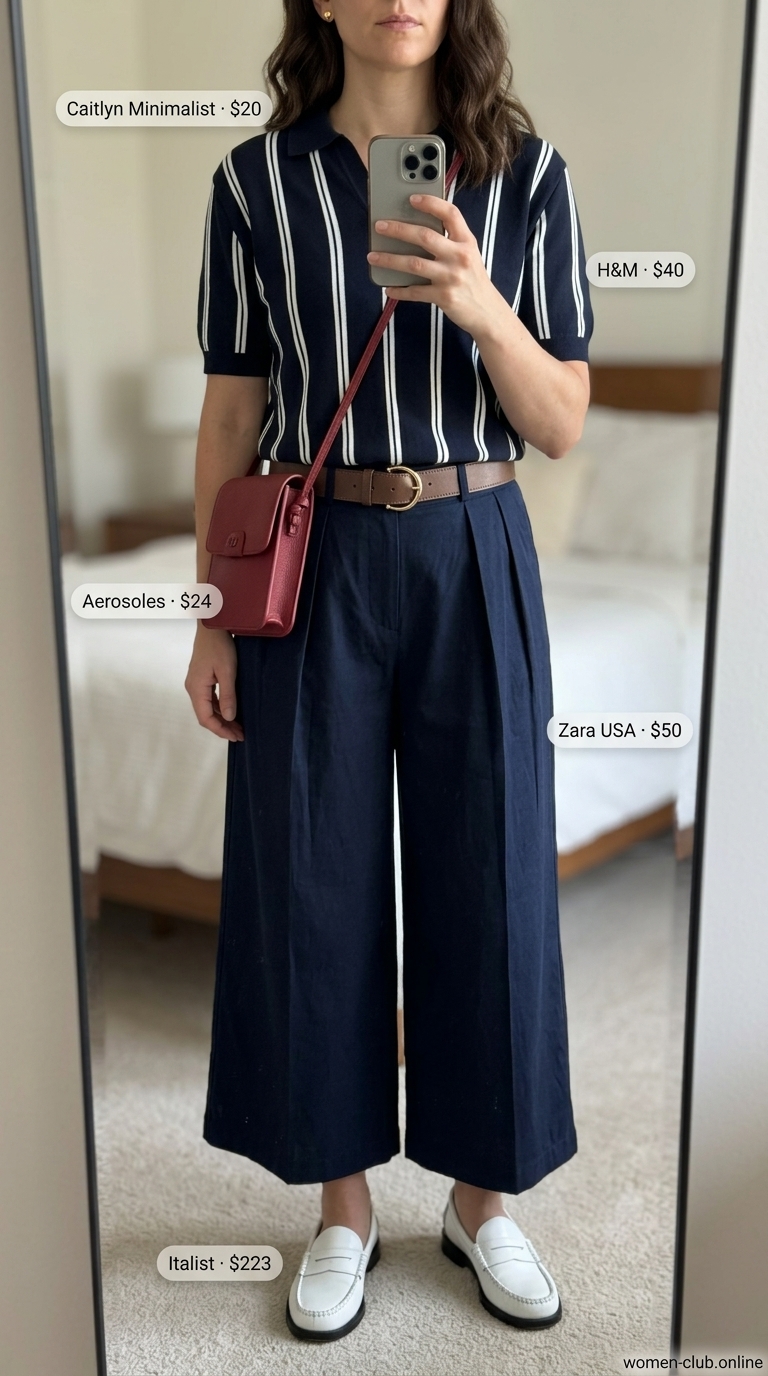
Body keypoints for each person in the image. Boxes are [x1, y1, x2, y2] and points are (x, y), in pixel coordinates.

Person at [185, 0, 592, 1343]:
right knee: (310, 876)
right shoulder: (254, 182)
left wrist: (477, 302)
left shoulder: (528, 177)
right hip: (319, 555)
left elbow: (564, 418)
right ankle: (344, 1207)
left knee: (494, 868)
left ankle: (482, 1202)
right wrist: (210, 617)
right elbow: (236, 408)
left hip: (478, 537)